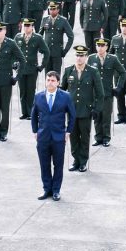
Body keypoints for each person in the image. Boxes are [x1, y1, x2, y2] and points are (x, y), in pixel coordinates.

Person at [31, 70, 76, 201]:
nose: (50, 83)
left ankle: (56, 190)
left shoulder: (65, 96)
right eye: (48, 80)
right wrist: (35, 131)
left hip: (59, 137)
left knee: (58, 165)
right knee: (44, 165)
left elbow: (72, 115)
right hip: (43, 137)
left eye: (53, 80)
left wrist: (68, 131)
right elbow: (34, 115)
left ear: (58, 82)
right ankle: (46, 189)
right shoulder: (38, 96)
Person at [62, 45, 105, 172]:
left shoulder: (92, 71)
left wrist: (97, 109)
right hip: (72, 110)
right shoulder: (69, 70)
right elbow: (62, 90)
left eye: (82, 56)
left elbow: (100, 93)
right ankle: (76, 160)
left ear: (86, 57)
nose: (79, 58)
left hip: (86, 110)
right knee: (73, 136)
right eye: (77, 55)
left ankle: (83, 162)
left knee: (85, 137)